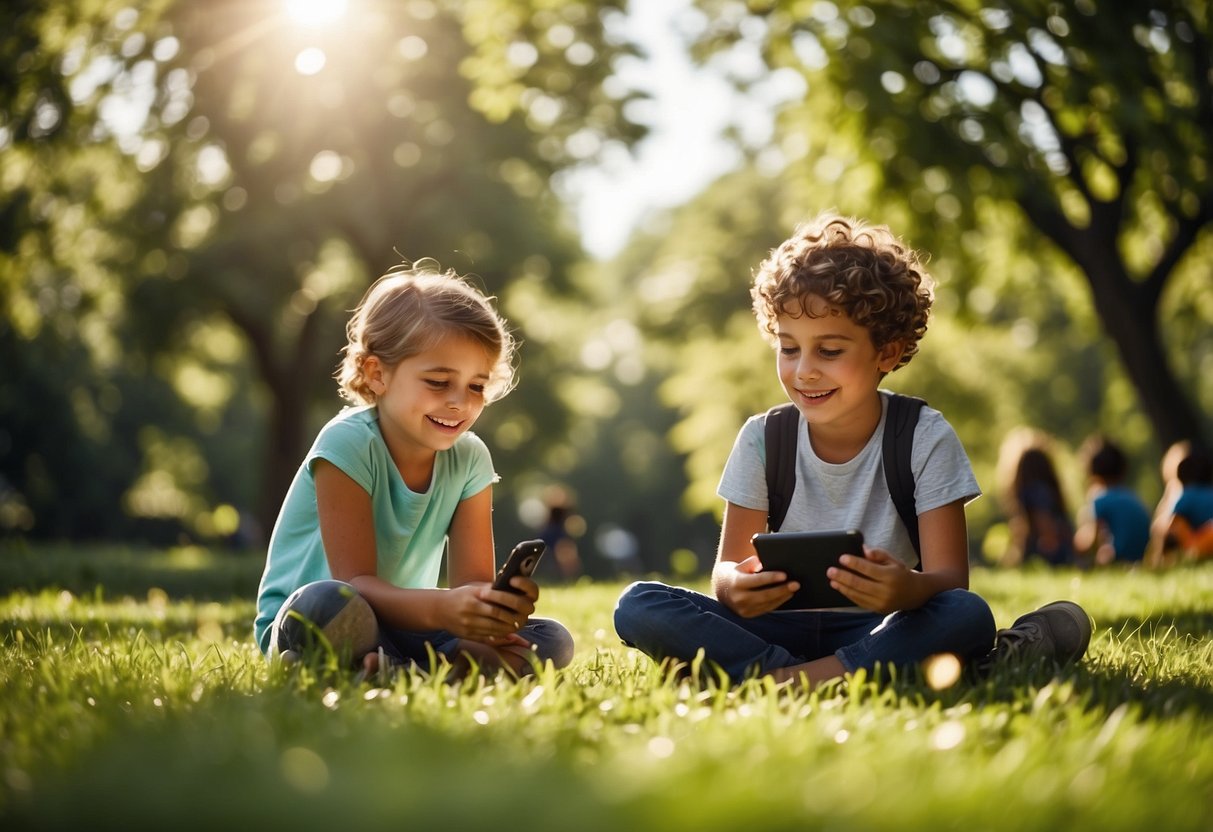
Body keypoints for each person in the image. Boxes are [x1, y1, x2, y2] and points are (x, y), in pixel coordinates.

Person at [613, 213, 1091, 688]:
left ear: (886, 352)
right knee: (638, 605)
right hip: (777, 626)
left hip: (880, 624)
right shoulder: (762, 438)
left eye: (830, 351)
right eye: (788, 348)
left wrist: (908, 587)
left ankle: (777, 678)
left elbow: (950, 580)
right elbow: (726, 571)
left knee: (965, 614)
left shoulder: (924, 436)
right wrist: (735, 588)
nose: (804, 372)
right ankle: (825, 675)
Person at [254, 262, 574, 680]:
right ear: (377, 373)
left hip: (407, 624)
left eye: (476, 386)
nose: (461, 402)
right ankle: (423, 669)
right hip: (322, 614)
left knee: (554, 640)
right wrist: (445, 607)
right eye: (439, 382)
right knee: (326, 606)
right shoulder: (348, 443)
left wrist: (491, 611)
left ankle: (396, 670)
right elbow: (357, 582)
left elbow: (470, 583)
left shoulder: (471, 459)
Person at [995, 429, 1075, 567]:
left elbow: (1045, 526)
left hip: (1047, 554)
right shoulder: (1046, 489)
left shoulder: (1034, 491)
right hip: (1058, 552)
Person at [1073, 435, 1152, 566]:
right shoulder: (1132, 496)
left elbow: (1091, 541)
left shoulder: (1101, 499)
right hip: (1141, 557)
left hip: (1119, 557)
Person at [1148, 441, 1213, 565]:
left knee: (1175, 526)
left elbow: (1170, 524)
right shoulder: (1209, 492)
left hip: (1205, 540)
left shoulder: (1185, 496)